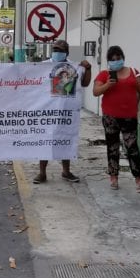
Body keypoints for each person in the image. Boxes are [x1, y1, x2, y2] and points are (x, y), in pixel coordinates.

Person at [32, 39, 92, 184]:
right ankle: (42, 173)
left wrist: (88, 69)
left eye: (60, 50)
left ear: (67, 52)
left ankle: (66, 172)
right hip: (48, 111)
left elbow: (84, 83)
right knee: (46, 141)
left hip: (67, 112)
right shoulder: (43, 66)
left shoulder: (74, 66)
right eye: (55, 49)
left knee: (66, 139)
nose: (57, 52)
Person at [92, 45, 140, 192]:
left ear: (123, 58)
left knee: (132, 148)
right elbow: (95, 92)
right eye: (112, 59)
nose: (116, 61)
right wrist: (107, 85)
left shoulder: (133, 72)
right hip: (110, 117)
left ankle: (139, 179)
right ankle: (114, 177)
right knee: (113, 148)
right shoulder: (105, 74)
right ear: (108, 61)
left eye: (118, 58)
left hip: (129, 117)